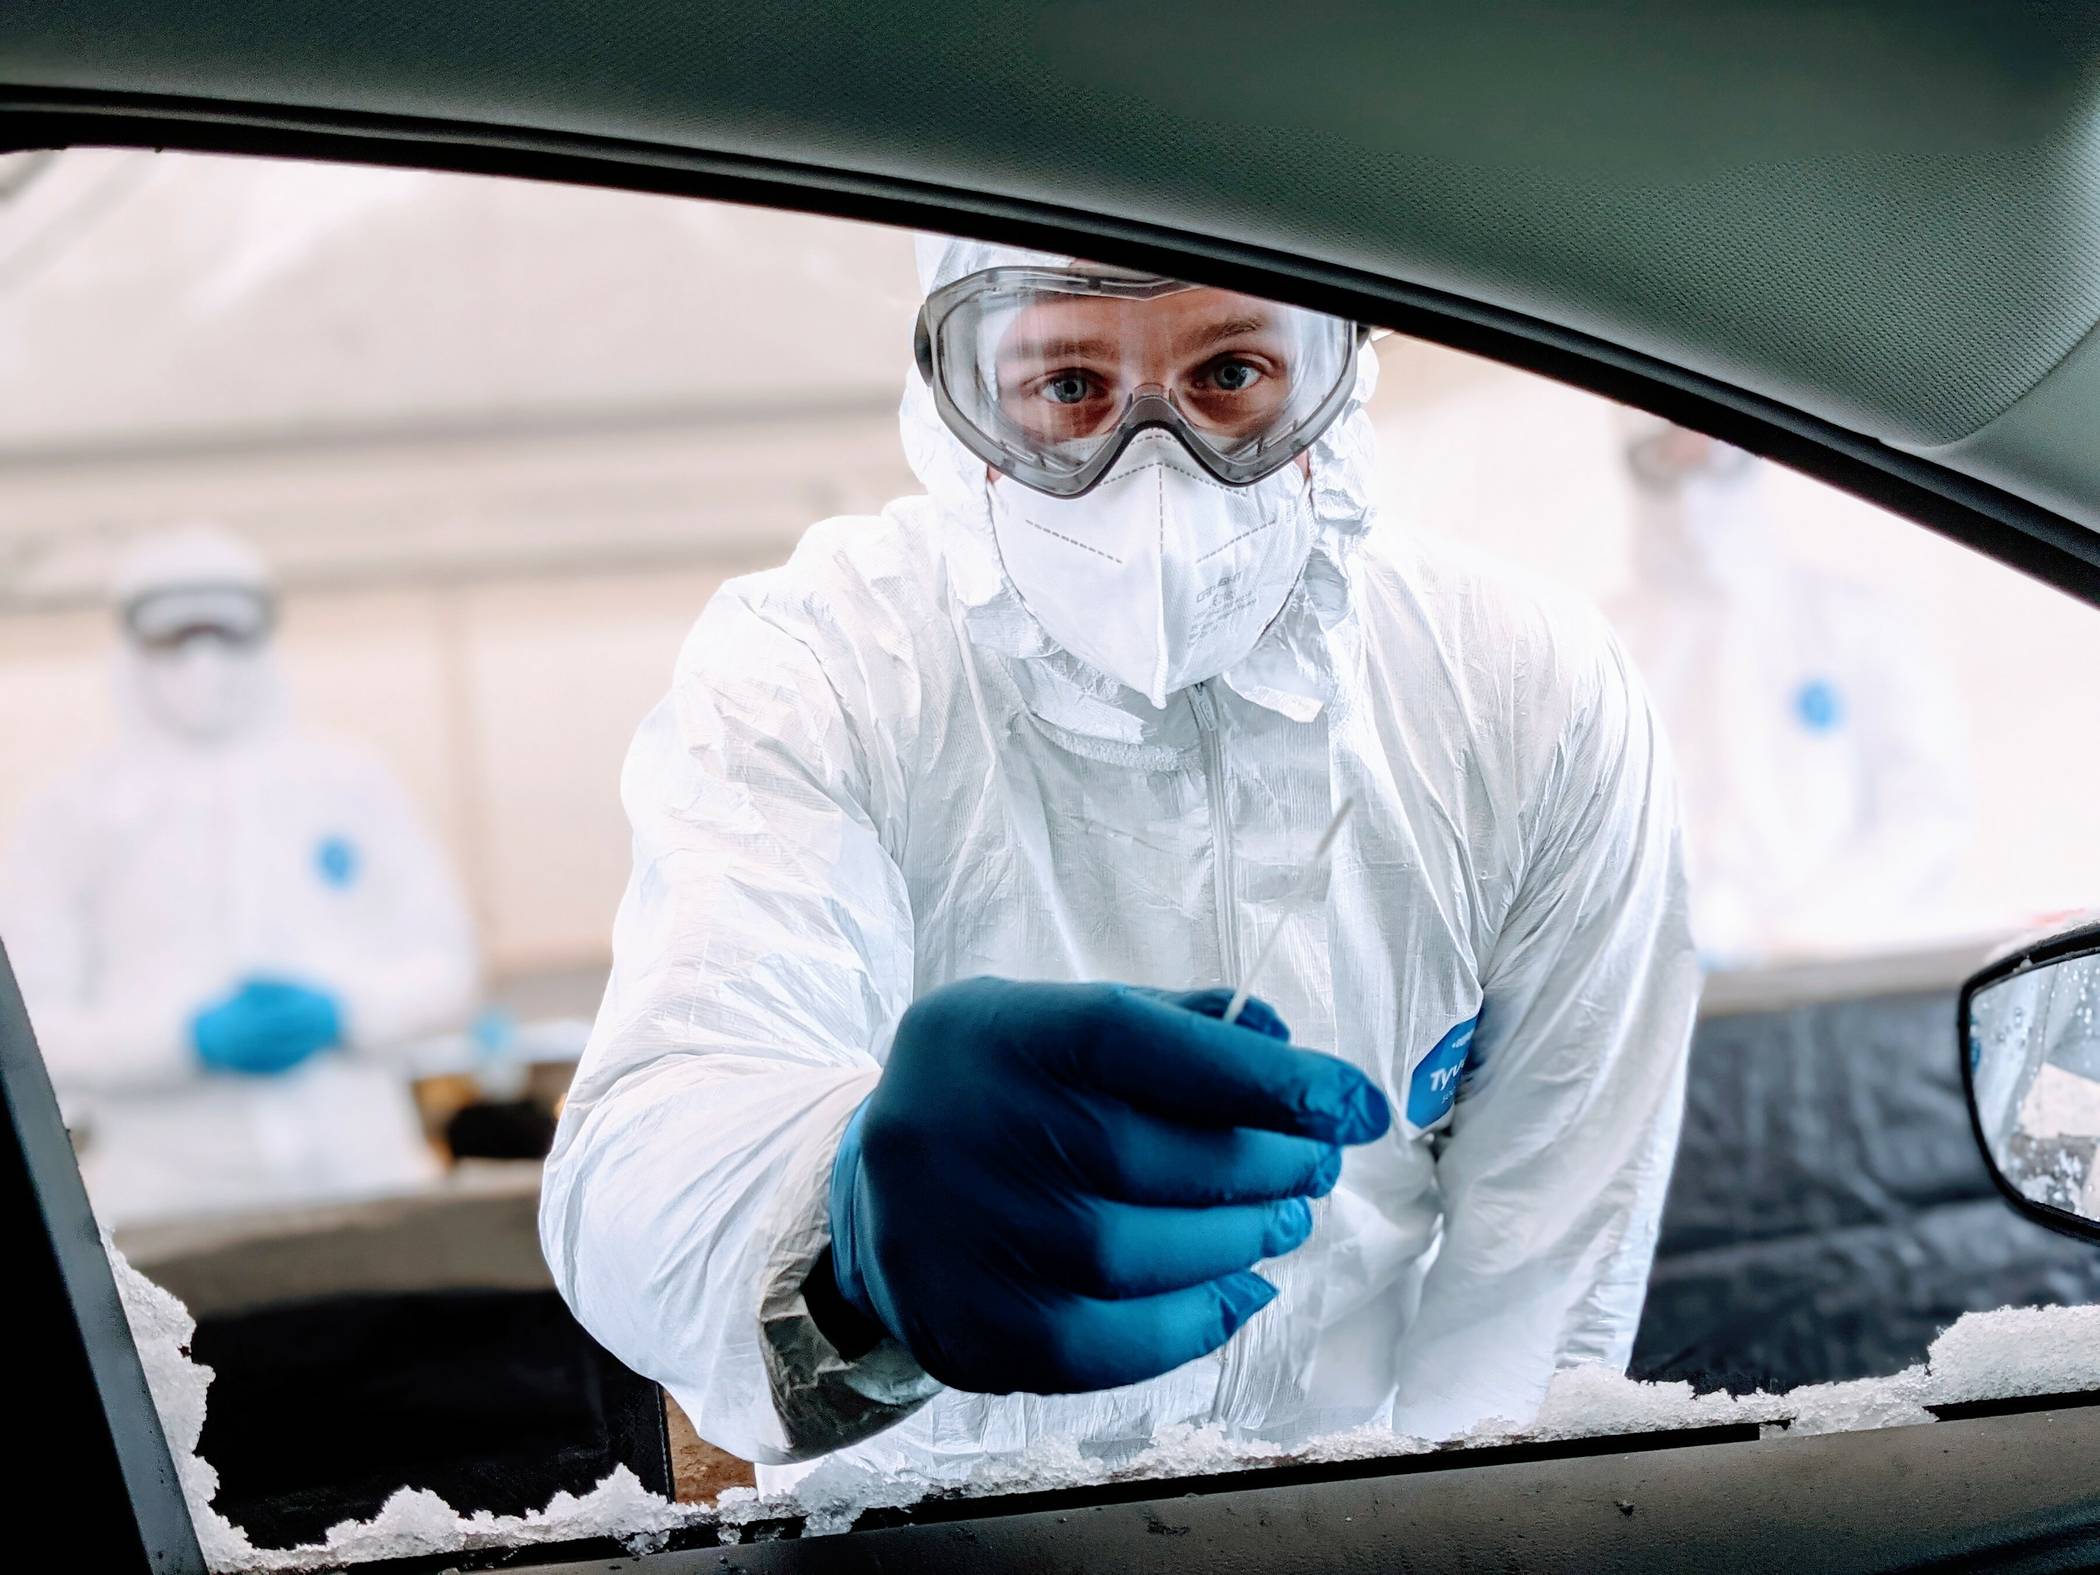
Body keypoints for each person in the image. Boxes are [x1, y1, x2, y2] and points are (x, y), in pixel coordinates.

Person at [540, 237, 1699, 1486]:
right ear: (960, 405)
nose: (1156, 478)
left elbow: (1547, 1262)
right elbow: (644, 1158)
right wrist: (841, 1212)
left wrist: (1470, 1541)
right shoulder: (831, 669)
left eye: (1231, 373)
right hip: (924, 1549)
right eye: (1069, 387)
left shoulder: (1518, 692)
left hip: (1371, 1522)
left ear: (1337, 376)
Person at [1, 525, 478, 1227]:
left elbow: (448, 968)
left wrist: (347, 1010)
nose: (204, 658)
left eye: (227, 627)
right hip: (166, 1203)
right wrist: (179, 1041)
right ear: (130, 645)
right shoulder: (69, 812)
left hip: (367, 1177)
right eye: (175, 632)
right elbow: (30, 1028)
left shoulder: (353, 783)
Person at [1606, 418, 1970, 964]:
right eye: (1666, 460)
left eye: (1710, 458)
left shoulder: (1853, 625)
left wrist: (1814, 930)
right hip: (1658, 980)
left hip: (1833, 966)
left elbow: (1929, 812)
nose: (1692, 491)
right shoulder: (1604, 649)